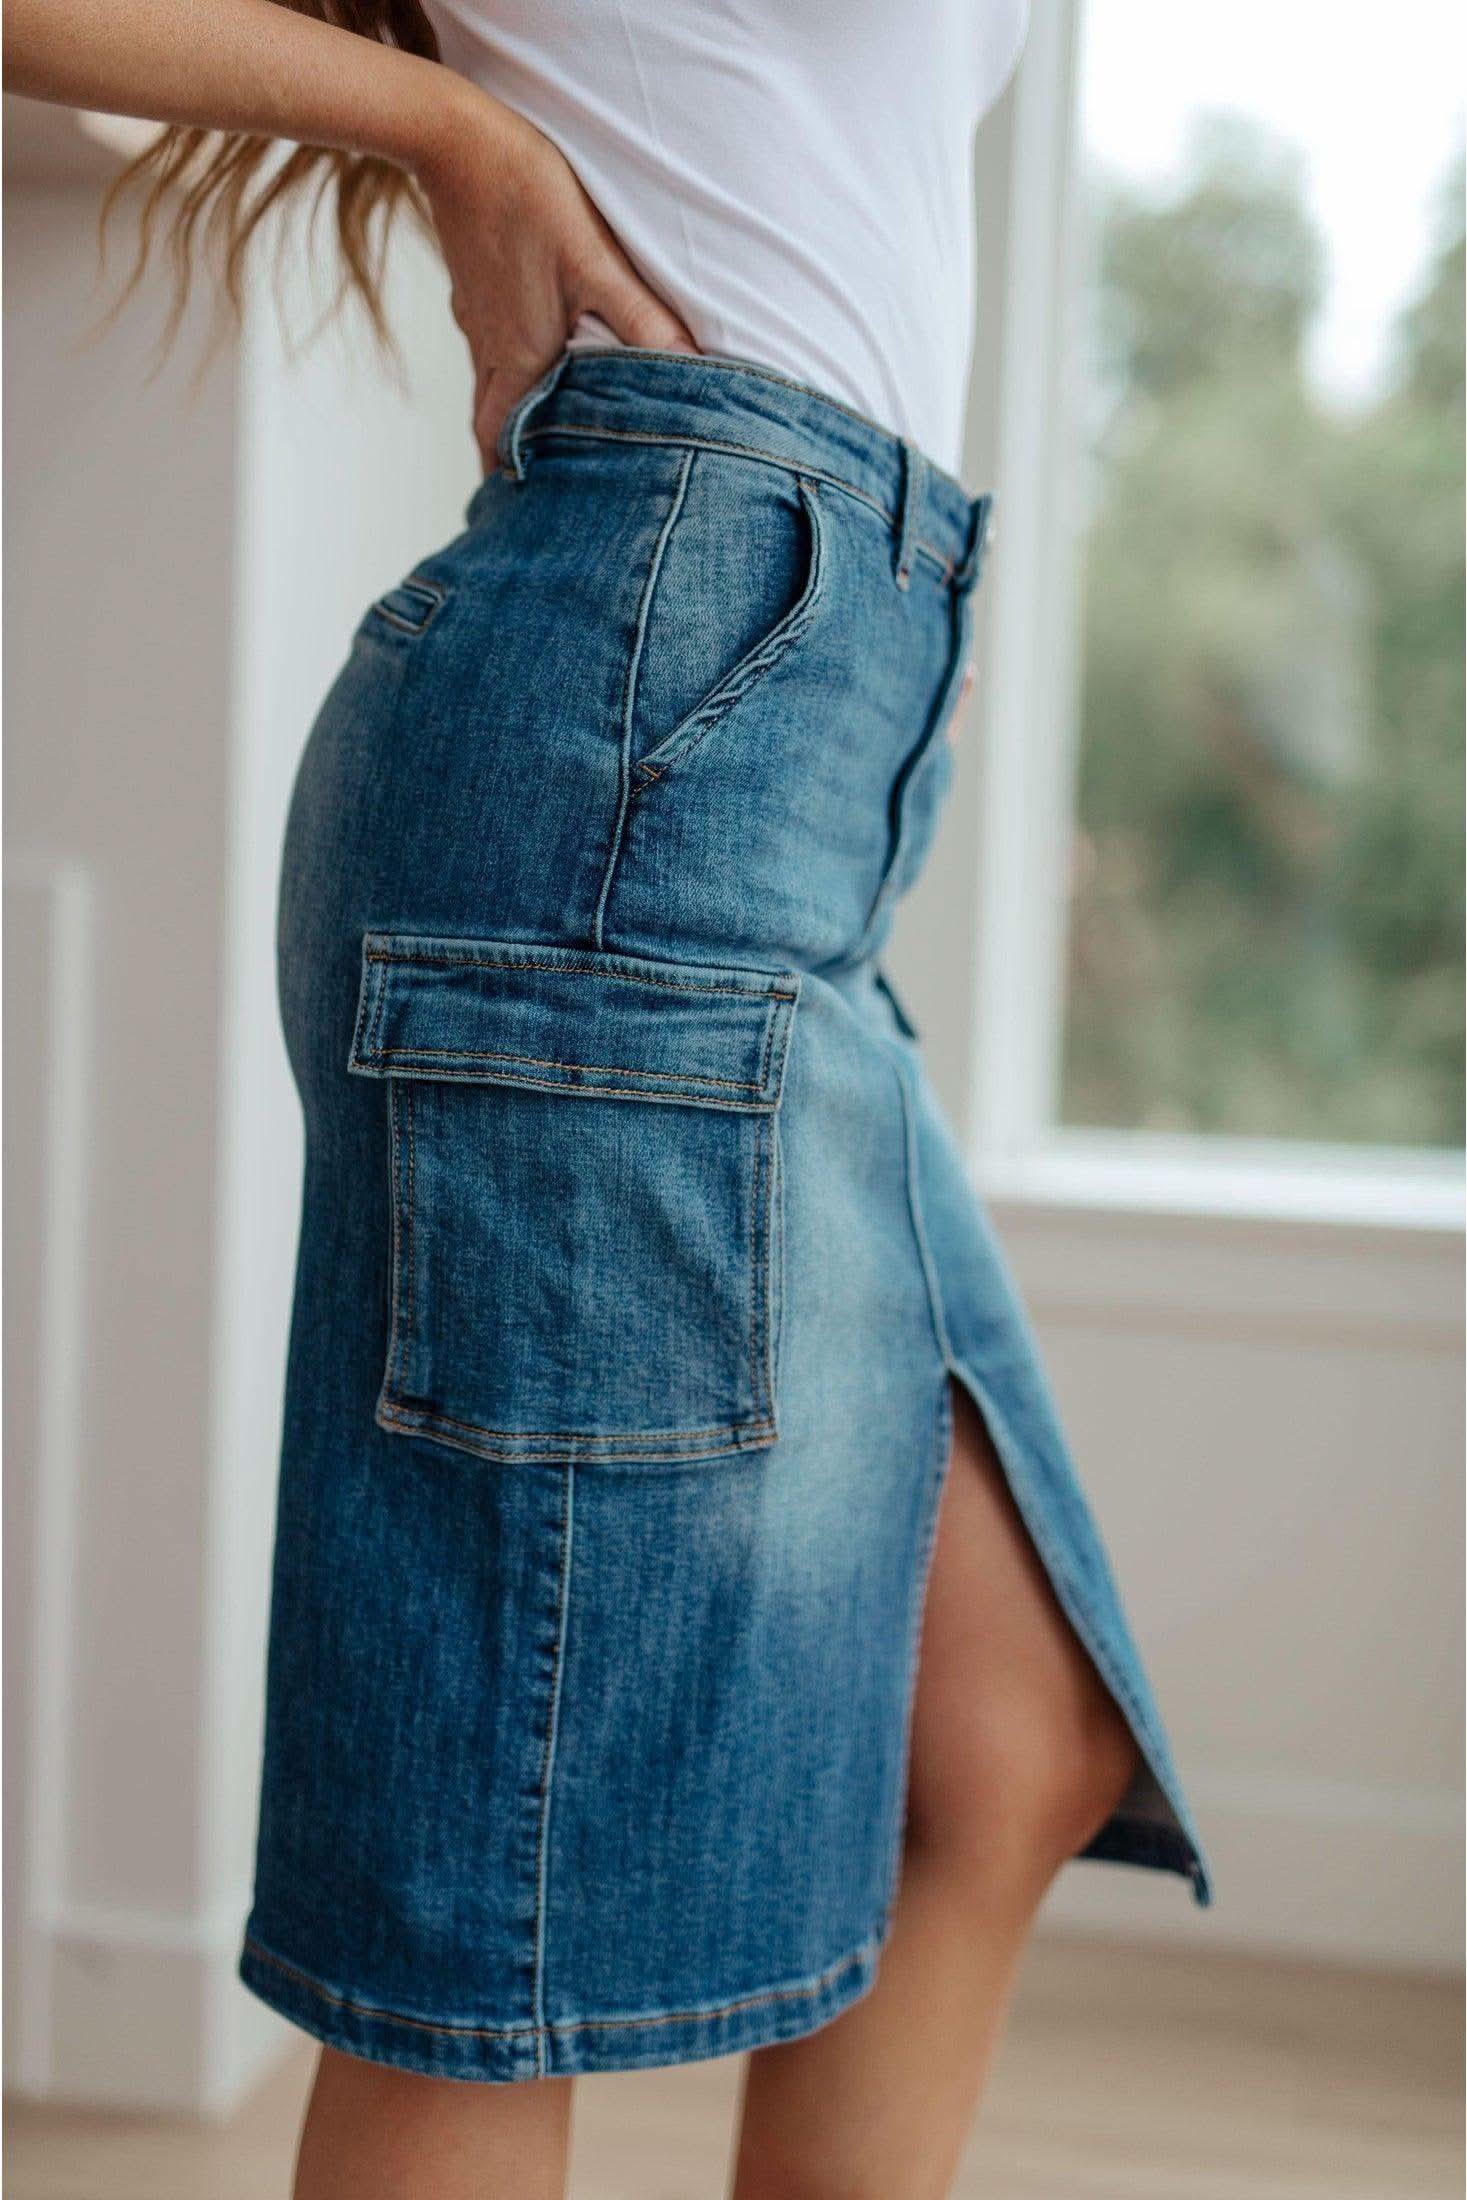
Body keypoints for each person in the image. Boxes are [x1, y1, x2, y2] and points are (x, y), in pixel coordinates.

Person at [7, 6, 1209, 2195]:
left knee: (1001, 1729)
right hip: (645, 740)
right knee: (501, 1920)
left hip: (779, 743)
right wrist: (449, 129)